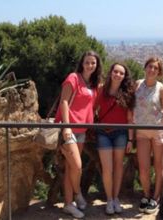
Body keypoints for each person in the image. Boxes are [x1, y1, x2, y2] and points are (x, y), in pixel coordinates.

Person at [54, 51, 102, 218]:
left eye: (93, 63)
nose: (90, 65)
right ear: (82, 63)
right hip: (69, 129)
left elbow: (92, 107)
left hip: (82, 130)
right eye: (87, 62)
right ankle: (78, 194)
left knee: (70, 168)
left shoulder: (93, 84)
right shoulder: (73, 78)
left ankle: (68, 204)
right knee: (78, 165)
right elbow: (64, 101)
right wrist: (66, 127)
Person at [133, 57, 163, 214]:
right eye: (150, 67)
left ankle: (156, 199)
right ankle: (146, 195)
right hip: (141, 132)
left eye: (155, 68)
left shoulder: (162, 90)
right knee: (143, 168)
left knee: (158, 166)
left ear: (159, 71)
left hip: (158, 132)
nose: (152, 70)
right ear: (145, 67)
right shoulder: (137, 84)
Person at [95, 63, 135, 215]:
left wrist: (130, 140)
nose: (118, 75)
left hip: (121, 132)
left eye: (121, 73)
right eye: (115, 71)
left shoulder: (127, 93)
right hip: (103, 132)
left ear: (124, 77)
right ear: (111, 72)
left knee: (118, 167)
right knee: (107, 168)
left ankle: (115, 197)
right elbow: (92, 108)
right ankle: (109, 199)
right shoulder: (101, 90)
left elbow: (130, 118)